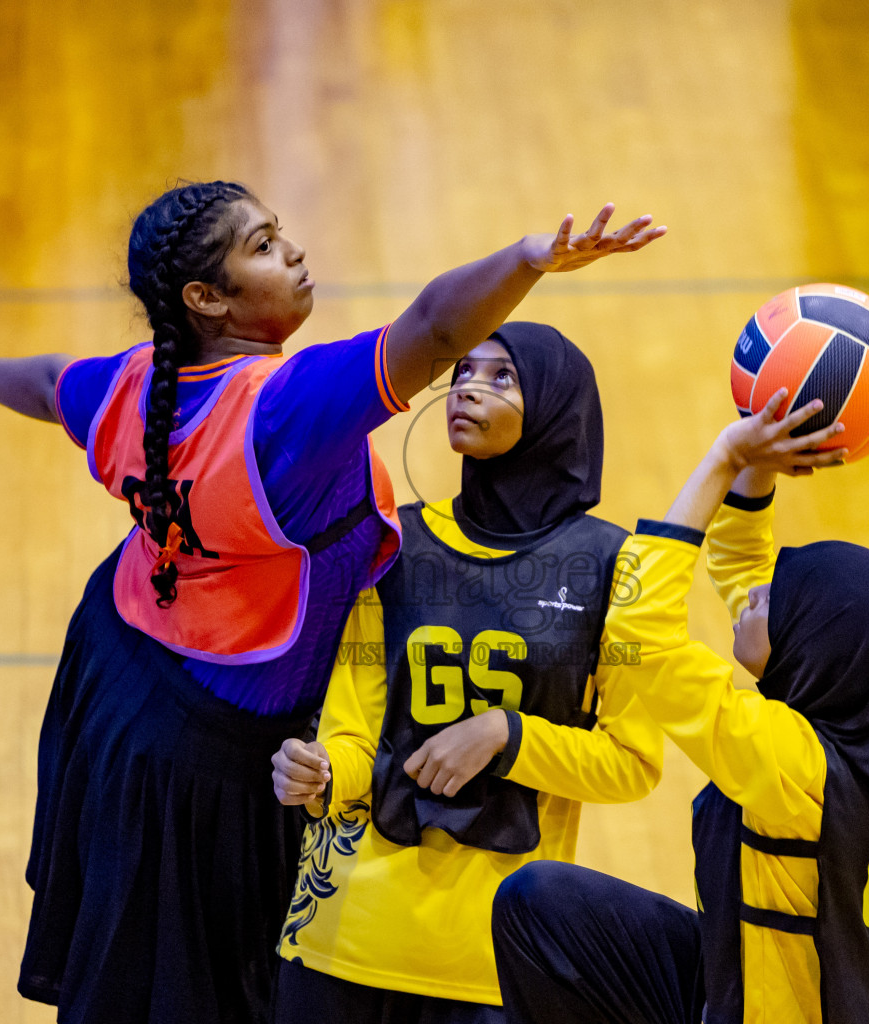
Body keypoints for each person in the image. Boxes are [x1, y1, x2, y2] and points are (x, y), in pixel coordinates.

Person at [0, 180, 664, 1024]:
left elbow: (51, 382)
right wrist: (528, 261)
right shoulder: (284, 414)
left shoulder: (136, 382)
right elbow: (431, 329)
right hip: (214, 759)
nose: (295, 251)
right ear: (206, 299)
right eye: (265, 246)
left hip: (117, 689)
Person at [490, 389, 869, 1024]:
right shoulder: (865, 727)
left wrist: (724, 457)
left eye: (776, 600)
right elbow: (740, 561)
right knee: (541, 904)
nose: (754, 592)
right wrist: (765, 456)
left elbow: (639, 635)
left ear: (809, 648)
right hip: (748, 983)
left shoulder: (790, 763)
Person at [265, 323, 666, 1024]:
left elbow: (631, 762)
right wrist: (321, 772)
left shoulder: (614, 566)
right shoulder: (396, 541)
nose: (468, 388)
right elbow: (356, 734)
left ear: (554, 408)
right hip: (346, 934)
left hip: (489, 959)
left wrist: (508, 736)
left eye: (502, 377)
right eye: (463, 372)